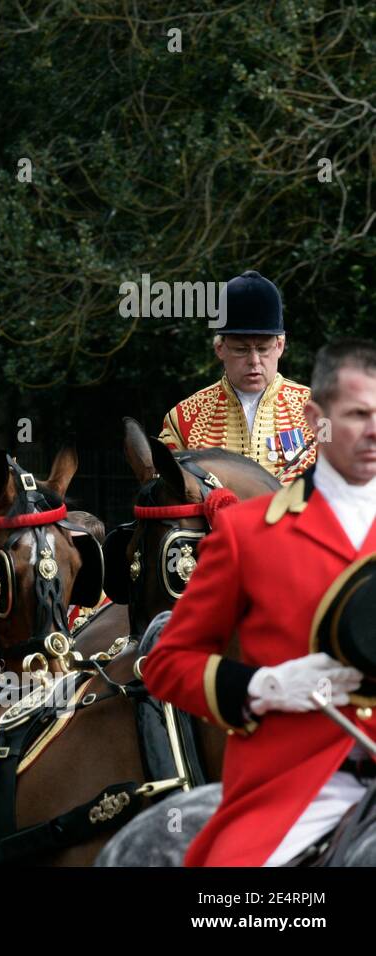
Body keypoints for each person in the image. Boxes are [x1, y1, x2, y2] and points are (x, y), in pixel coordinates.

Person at [144, 338, 376, 866]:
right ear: (318, 418)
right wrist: (260, 686)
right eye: (358, 415)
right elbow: (167, 663)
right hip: (302, 786)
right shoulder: (248, 534)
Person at [158, 269, 316, 483]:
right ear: (220, 349)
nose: (254, 360)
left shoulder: (317, 410)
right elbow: (164, 495)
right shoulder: (185, 419)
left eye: (263, 349)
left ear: (280, 346)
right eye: (241, 350)